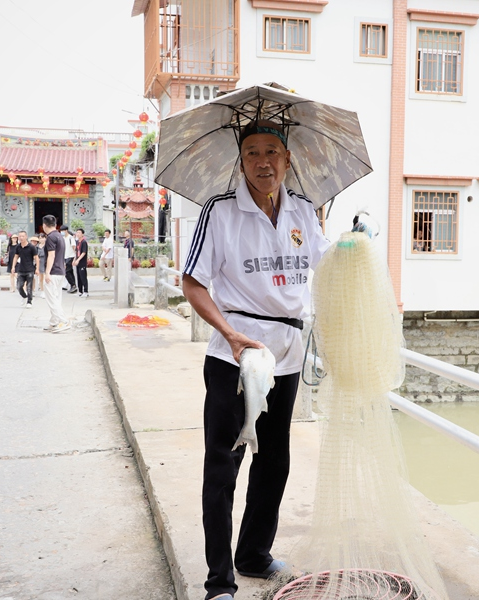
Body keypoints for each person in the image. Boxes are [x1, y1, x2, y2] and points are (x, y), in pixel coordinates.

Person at [181, 120, 331, 600]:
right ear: (240, 161)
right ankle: (219, 582)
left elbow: (326, 269)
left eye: (272, 152)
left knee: (275, 461)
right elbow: (193, 282)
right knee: (223, 467)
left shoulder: (305, 212)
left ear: (288, 161)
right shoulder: (220, 212)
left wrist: (348, 244)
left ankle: (254, 555)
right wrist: (228, 334)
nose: (262, 162)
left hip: (285, 357)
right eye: (251, 153)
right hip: (235, 359)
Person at [41, 216, 70, 333]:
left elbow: (51, 255)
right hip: (60, 271)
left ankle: (63, 321)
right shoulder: (60, 236)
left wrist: (47, 272)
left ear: (44, 225)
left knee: (52, 299)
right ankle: (54, 322)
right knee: (56, 298)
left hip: (53, 272)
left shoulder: (51, 238)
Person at [11, 230, 39, 308]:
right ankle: (24, 296)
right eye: (20, 236)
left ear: (26, 237)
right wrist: (13, 267)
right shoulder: (18, 247)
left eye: (23, 236)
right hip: (21, 269)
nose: (21, 238)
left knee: (29, 287)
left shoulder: (31, 247)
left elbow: (36, 258)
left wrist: (37, 268)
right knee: (19, 286)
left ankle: (29, 301)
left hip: (30, 269)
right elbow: (16, 257)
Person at [61, 225, 77, 293]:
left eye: (62, 231)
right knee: (69, 272)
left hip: (70, 257)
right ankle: (73, 286)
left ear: (66, 230)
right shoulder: (63, 238)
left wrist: (75, 258)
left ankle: (73, 285)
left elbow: (74, 249)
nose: (61, 232)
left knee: (67, 272)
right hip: (65, 257)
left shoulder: (71, 238)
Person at [74, 228, 89, 297]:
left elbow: (83, 252)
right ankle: (80, 291)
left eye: (79, 232)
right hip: (77, 262)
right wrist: (74, 260)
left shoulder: (84, 242)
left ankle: (85, 291)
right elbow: (76, 252)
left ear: (82, 234)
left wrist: (78, 260)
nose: (78, 234)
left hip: (82, 262)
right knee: (78, 277)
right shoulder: (77, 242)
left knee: (83, 277)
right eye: (77, 232)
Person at [35, 233, 47, 299]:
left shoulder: (47, 246)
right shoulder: (37, 247)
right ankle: (42, 291)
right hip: (39, 262)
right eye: (40, 238)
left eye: (43, 238)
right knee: (41, 278)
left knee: (46, 277)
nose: (42, 239)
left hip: (46, 262)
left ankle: (47, 291)